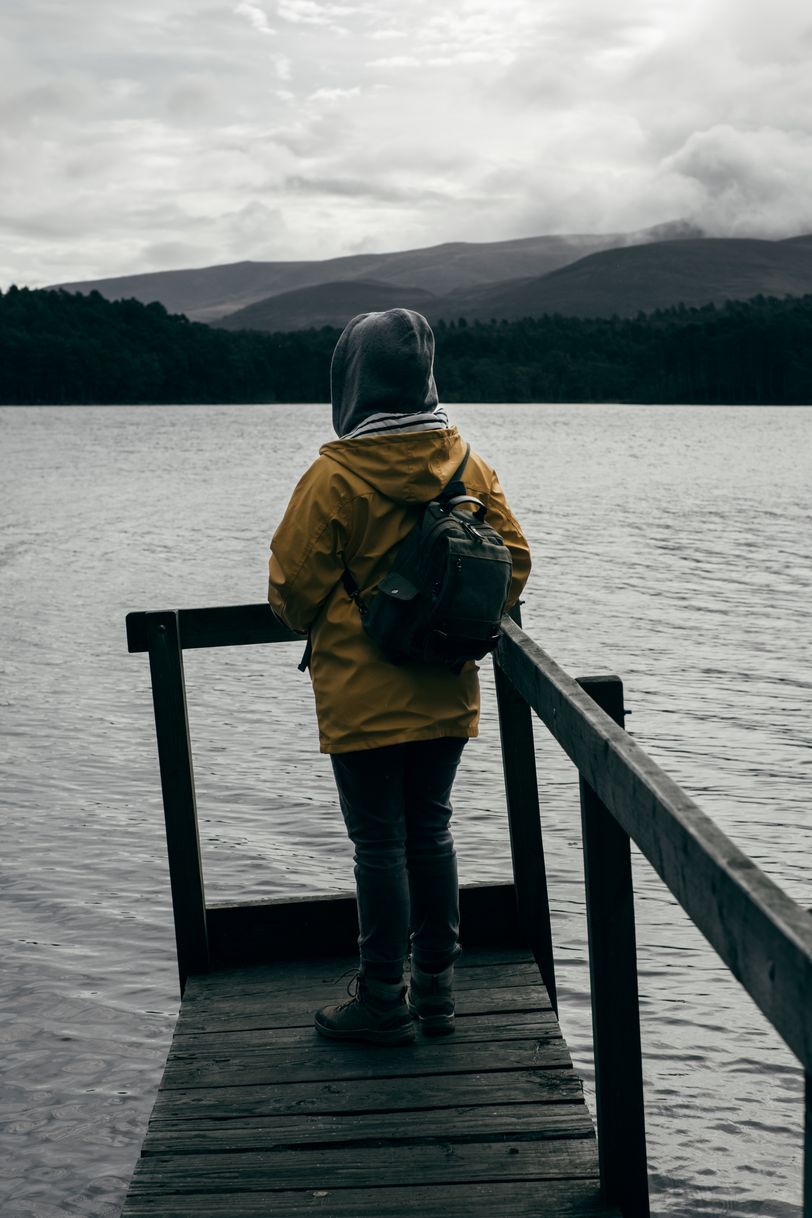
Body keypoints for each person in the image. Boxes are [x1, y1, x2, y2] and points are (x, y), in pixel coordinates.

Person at [267, 308, 531, 1045]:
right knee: (433, 832)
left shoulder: (335, 475)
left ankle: (383, 995)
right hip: (446, 683)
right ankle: (439, 992)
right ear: (424, 377)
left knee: (379, 845)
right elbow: (515, 567)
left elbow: (289, 597)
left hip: (361, 693)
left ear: (350, 380)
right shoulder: (467, 465)